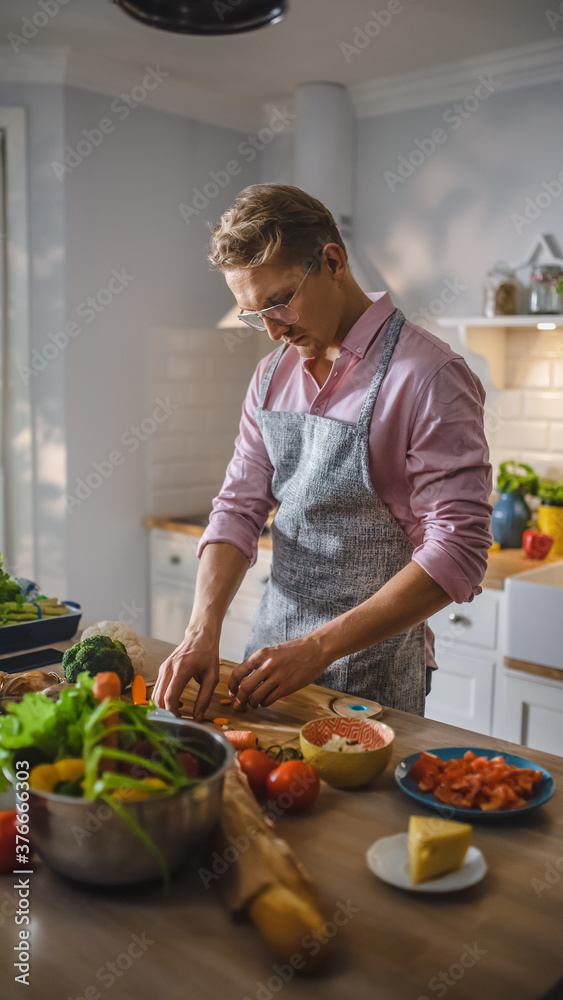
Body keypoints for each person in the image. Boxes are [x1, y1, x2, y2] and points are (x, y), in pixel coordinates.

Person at [153, 184, 493, 719]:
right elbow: (239, 509)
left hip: (374, 679)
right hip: (266, 664)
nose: (270, 330)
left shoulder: (429, 377)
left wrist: (318, 648)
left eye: (279, 302)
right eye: (252, 313)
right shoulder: (269, 377)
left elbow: (459, 549)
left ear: (332, 261)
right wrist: (202, 628)